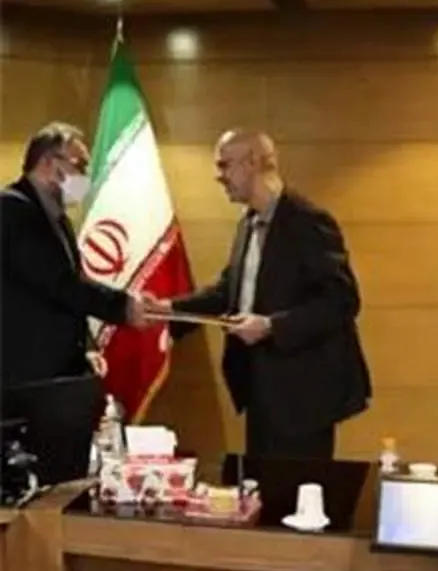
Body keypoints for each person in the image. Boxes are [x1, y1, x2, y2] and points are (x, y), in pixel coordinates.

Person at [148, 129, 371, 460]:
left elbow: (342, 300)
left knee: (296, 488)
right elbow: (229, 292)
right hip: (260, 390)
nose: (219, 176)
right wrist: (166, 309)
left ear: (251, 162)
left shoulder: (307, 221)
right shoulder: (247, 224)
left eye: (224, 165)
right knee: (261, 485)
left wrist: (271, 326)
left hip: (303, 397)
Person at [0, 122, 149, 388]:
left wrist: (86, 347)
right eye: (79, 165)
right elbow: (57, 283)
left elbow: (75, 283)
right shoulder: (11, 209)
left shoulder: (60, 220)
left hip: (58, 371)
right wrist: (122, 306)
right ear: (47, 162)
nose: (85, 176)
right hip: (25, 374)